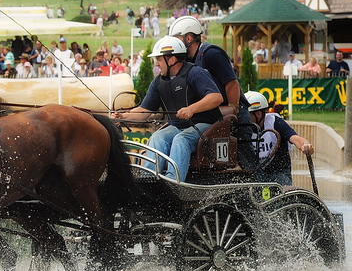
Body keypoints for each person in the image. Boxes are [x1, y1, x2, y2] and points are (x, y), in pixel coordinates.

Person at [115, 37, 223, 181]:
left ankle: (173, 182)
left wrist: (191, 109)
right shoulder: (158, 82)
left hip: (205, 125)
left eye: (159, 60)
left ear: (171, 60)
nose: (157, 64)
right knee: (157, 137)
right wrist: (123, 117)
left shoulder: (195, 73)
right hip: (178, 126)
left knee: (181, 139)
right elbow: (144, 111)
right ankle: (148, 180)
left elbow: (216, 97)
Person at [169, 15, 252, 167]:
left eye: (177, 38)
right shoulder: (189, 61)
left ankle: (260, 184)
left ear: (189, 38)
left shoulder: (212, 54)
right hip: (215, 112)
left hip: (235, 110)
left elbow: (232, 83)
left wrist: (233, 109)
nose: (174, 43)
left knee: (246, 156)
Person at [245, 91, 314, 186]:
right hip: (255, 174)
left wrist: (305, 145)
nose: (243, 118)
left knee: (282, 186)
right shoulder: (242, 129)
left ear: (258, 114)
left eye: (246, 115)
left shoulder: (276, 122)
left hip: (279, 173)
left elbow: (294, 137)